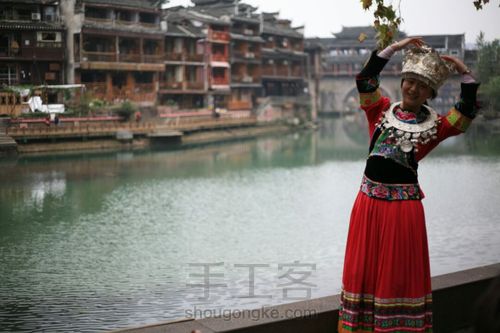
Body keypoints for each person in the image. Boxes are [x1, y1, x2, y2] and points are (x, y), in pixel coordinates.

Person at [337, 37, 480, 332]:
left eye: (422, 85)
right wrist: (394, 48)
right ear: (402, 81)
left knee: (397, 273)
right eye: (409, 81)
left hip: (403, 212)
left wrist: (465, 74)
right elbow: (365, 79)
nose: (413, 89)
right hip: (367, 205)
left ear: (430, 92)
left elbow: (465, 114)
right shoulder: (379, 110)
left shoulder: (435, 127)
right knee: (363, 269)